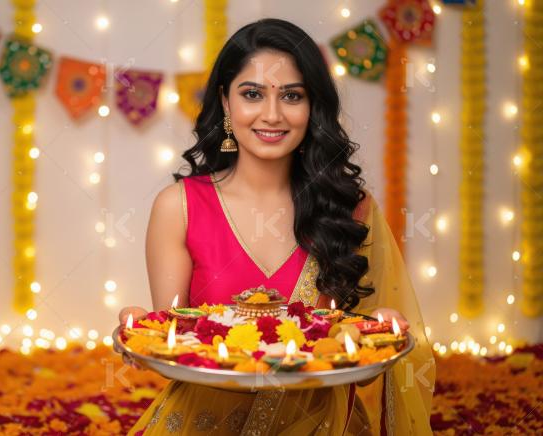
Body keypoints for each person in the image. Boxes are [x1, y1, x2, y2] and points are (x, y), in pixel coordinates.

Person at [117, 19, 435, 435]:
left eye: (291, 96)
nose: (272, 114)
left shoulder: (348, 208)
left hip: (323, 424)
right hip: (205, 423)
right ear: (226, 103)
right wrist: (139, 328)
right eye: (252, 94)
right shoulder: (179, 208)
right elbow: (172, 353)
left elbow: (359, 372)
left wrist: (379, 335)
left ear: (312, 107)